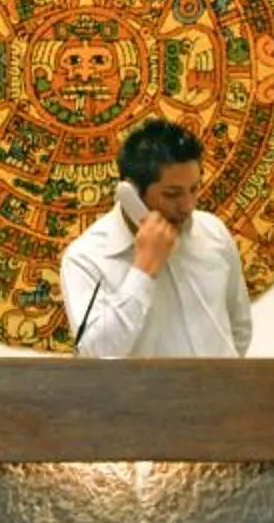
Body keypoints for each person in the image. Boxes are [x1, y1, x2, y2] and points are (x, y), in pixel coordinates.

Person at [62, 119, 253, 358]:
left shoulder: (213, 233)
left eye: (194, 189)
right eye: (172, 194)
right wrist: (143, 269)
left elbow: (239, 327)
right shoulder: (87, 257)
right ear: (130, 192)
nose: (187, 206)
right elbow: (97, 354)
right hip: (147, 396)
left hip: (221, 392)